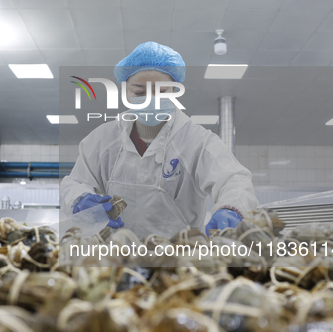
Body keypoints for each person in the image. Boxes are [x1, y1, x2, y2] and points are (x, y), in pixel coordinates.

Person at [60, 41, 259, 238]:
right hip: (116, 261)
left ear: (175, 91)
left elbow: (234, 180)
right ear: (126, 93)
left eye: (161, 92)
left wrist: (231, 209)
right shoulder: (102, 140)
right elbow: (74, 183)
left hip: (180, 260)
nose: (150, 99)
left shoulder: (198, 142)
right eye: (139, 92)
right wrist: (80, 199)